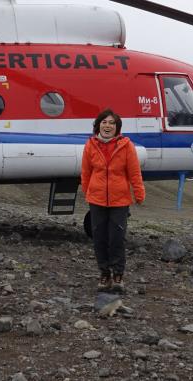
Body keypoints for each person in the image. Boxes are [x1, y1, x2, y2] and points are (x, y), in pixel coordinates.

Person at [81, 108, 146, 293]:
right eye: (104, 122)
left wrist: (139, 193)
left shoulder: (126, 146)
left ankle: (118, 274)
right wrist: (88, 192)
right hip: (97, 199)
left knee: (117, 238)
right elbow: (86, 172)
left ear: (117, 127)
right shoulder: (90, 145)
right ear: (98, 125)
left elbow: (134, 172)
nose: (107, 126)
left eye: (112, 123)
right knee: (99, 238)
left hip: (120, 200)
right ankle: (104, 274)